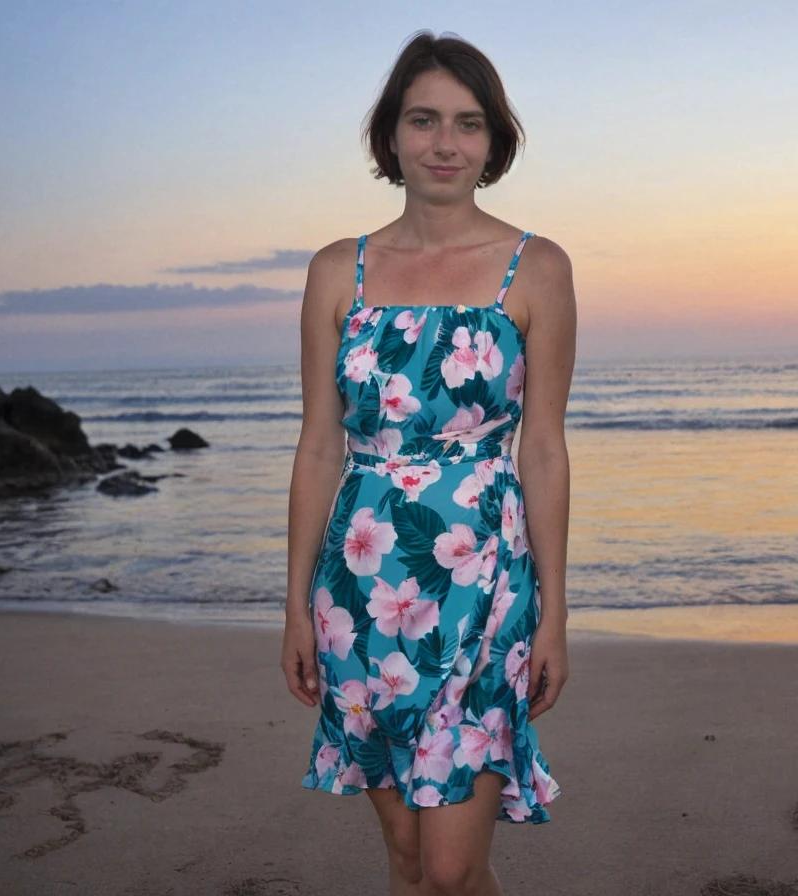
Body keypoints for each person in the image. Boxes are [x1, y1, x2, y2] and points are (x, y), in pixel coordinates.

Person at [280, 30, 576, 895]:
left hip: (486, 588)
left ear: (493, 143)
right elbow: (316, 446)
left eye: (468, 123)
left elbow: (546, 450)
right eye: (424, 120)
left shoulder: (538, 268)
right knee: (409, 861)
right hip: (360, 596)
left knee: (451, 869)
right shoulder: (340, 271)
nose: (445, 143)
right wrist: (296, 606)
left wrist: (555, 612)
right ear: (391, 135)